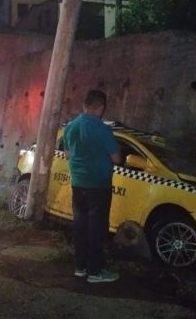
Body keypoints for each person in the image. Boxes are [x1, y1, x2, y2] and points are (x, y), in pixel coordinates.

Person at [63, 90, 121, 283]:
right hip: (98, 186)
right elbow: (116, 158)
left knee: (80, 226)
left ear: (84, 105)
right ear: (101, 107)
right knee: (96, 228)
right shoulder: (102, 129)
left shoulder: (70, 127)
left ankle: (80, 267)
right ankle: (95, 272)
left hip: (78, 184)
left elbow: (67, 154)